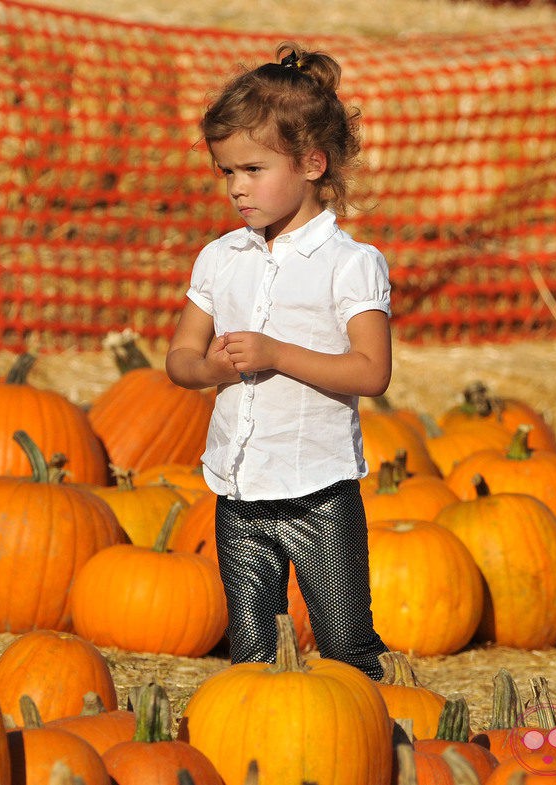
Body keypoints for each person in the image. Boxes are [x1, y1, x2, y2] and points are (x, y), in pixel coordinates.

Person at [165, 41, 391, 680]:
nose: (237, 188)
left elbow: (371, 371)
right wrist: (210, 370)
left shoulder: (350, 264)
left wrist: (274, 354)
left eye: (253, 169)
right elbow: (180, 358)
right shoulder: (220, 258)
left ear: (313, 163)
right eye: (226, 172)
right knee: (252, 657)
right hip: (238, 491)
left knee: (347, 646)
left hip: (318, 491)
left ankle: (369, 747)